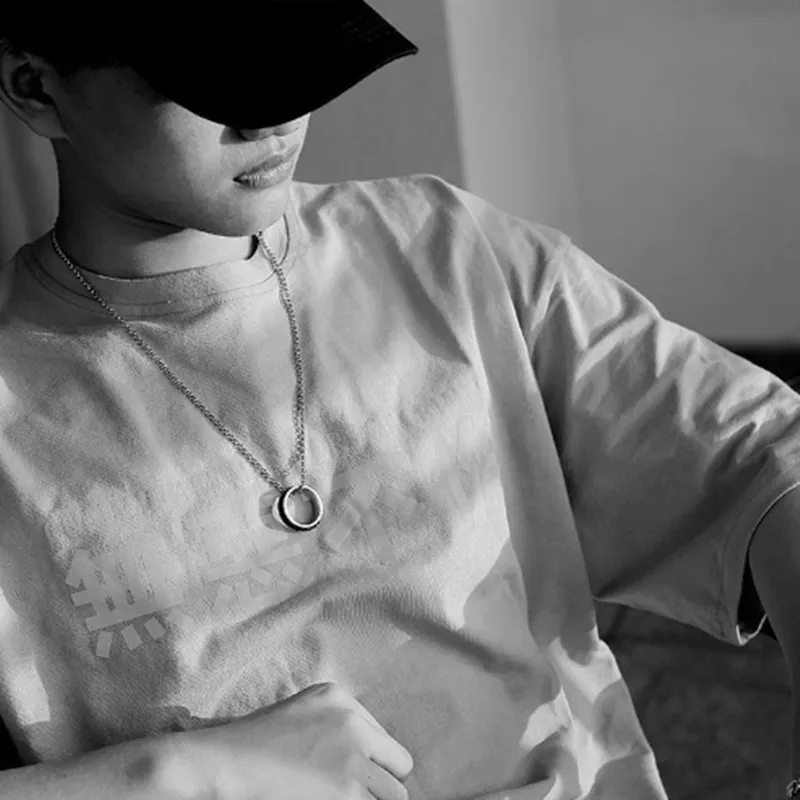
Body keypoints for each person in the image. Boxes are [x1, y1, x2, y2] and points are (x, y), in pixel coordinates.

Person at [1, 4, 800, 800]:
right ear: (34, 87)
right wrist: (171, 775)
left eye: (298, 61)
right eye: (216, 83)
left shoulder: (442, 250)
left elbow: (761, 455)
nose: (273, 117)